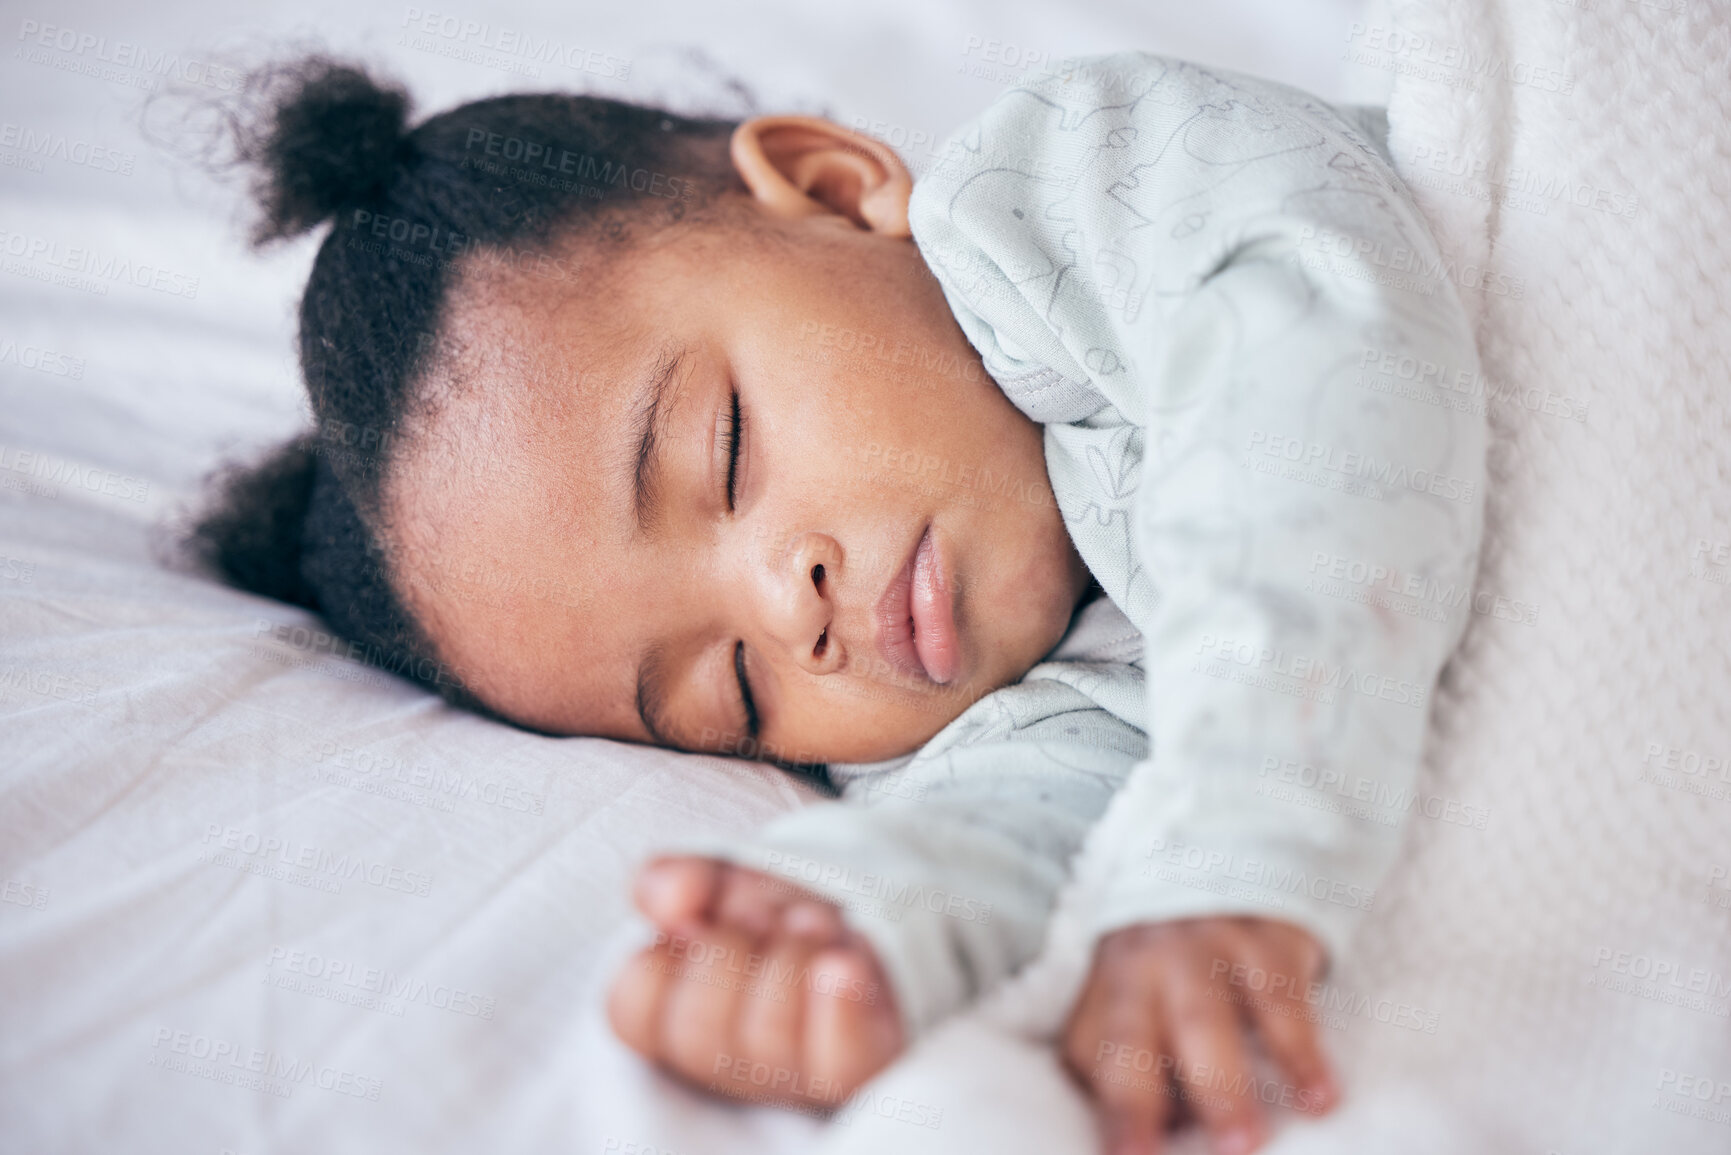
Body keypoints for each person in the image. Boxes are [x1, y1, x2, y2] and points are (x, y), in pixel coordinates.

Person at [194, 52, 1484, 1155]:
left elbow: (1311, 387)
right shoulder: (1021, 703)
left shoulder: (1083, 193)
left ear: (828, 190)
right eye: (734, 695)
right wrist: (847, 931)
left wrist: (1237, 844)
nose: (788, 612)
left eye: (726, 454)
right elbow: (1017, 822)